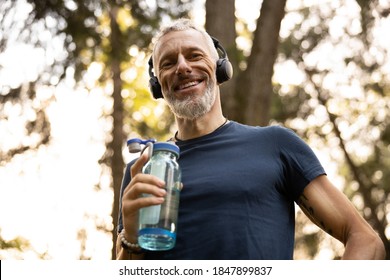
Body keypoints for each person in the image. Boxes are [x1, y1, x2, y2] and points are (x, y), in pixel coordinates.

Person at [116, 18, 385, 260]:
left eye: (194, 56)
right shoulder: (144, 170)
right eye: (169, 62)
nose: (183, 67)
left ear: (219, 67)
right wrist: (130, 233)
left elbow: (365, 240)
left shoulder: (275, 145)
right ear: (157, 84)